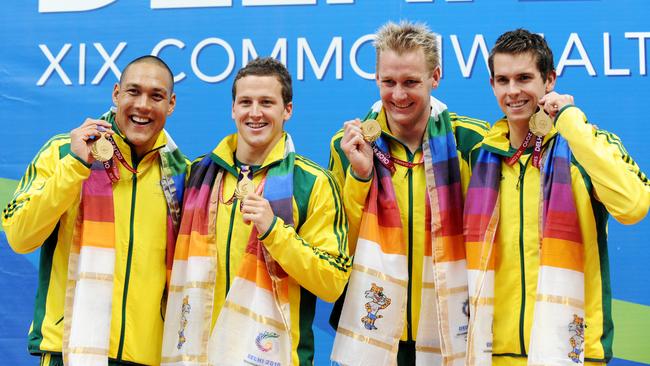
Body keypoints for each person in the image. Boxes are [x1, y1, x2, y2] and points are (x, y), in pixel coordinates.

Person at [464, 29, 650, 365]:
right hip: (493, 356)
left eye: (524, 78)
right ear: (492, 85)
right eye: (502, 80)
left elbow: (633, 205)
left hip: (574, 355)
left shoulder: (586, 147)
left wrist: (570, 122)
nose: (513, 91)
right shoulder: (480, 157)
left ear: (549, 80)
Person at [160, 57, 351, 366]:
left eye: (267, 102)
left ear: (287, 110)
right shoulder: (196, 175)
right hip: (194, 357)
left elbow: (331, 282)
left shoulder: (313, 183)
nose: (255, 112)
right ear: (233, 109)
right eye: (245, 102)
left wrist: (275, 232)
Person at [1, 55, 188, 366]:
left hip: (147, 358)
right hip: (71, 351)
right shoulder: (64, 151)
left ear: (171, 104)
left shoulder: (182, 174)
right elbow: (20, 237)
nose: (143, 105)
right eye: (133, 91)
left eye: (156, 96)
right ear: (116, 94)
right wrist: (76, 167)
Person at [328, 21, 489, 365]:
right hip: (375, 332)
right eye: (389, 82)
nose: (398, 95)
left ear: (436, 76)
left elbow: (491, 241)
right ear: (377, 79)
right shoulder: (349, 146)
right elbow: (343, 247)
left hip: (454, 331)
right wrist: (360, 177)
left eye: (411, 82)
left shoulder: (471, 142)